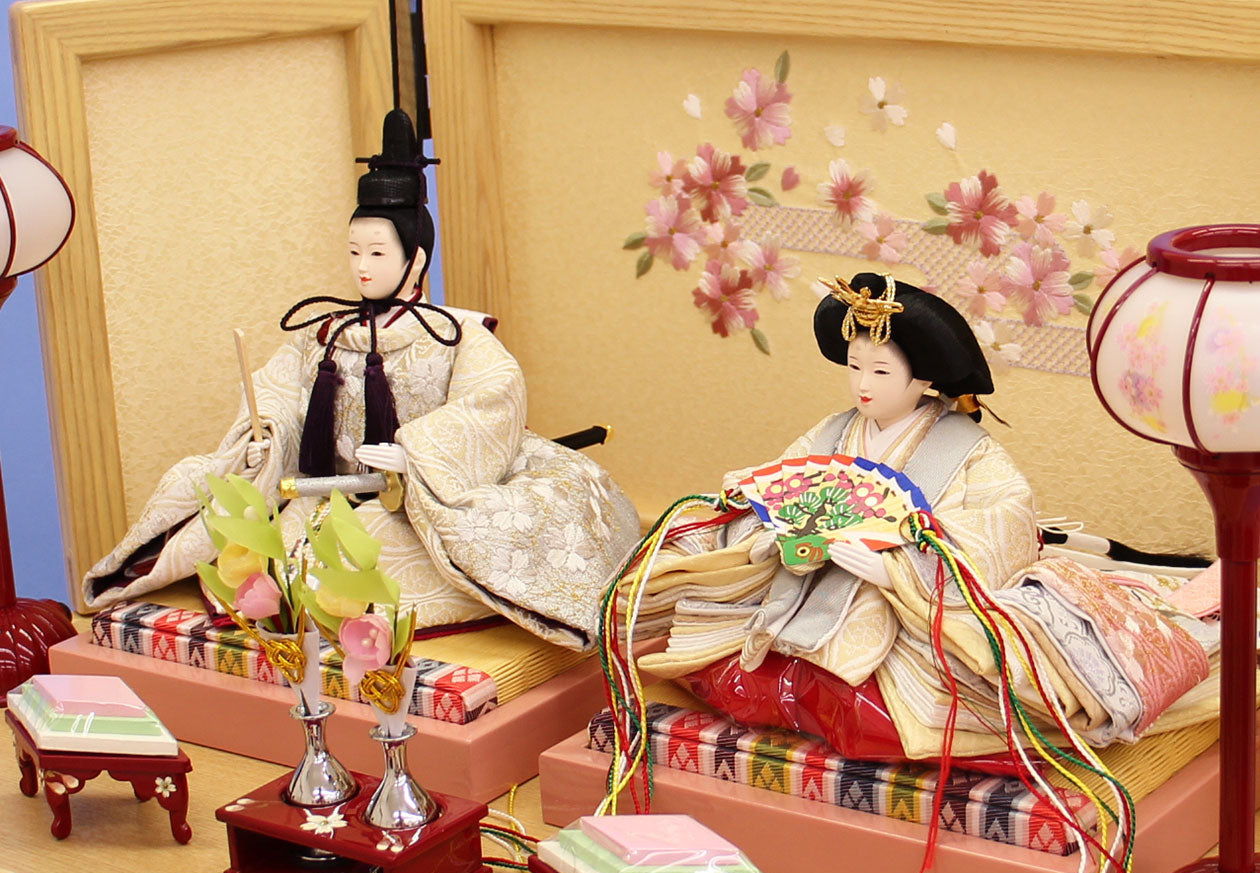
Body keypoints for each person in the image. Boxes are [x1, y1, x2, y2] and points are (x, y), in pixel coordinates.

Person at [82, 110, 640, 651]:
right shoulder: (322, 333)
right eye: (354, 252)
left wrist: (417, 454)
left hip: (413, 501)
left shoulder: (456, 336)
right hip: (325, 491)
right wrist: (267, 437)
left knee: (375, 554)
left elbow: (492, 399)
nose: (362, 266)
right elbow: (278, 395)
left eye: (376, 252)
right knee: (255, 529)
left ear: (416, 260)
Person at [633, 273, 1214, 759]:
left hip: (898, 606)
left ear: (924, 378)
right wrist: (782, 531)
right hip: (805, 585)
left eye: (881, 372)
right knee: (703, 619)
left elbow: (1003, 523)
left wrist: (896, 569)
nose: (863, 385)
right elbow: (780, 488)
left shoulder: (969, 452)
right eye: (854, 367)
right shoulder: (832, 432)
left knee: (909, 702)